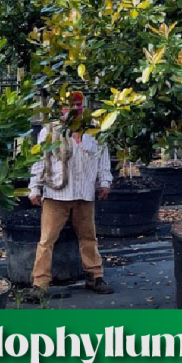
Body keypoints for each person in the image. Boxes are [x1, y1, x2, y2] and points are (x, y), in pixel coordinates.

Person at [27, 92, 114, 298]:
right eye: (71, 104)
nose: (76, 108)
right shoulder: (50, 130)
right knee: (46, 240)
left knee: (89, 238)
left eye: (79, 104)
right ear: (62, 108)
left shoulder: (94, 129)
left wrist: (105, 182)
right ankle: (40, 284)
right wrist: (34, 187)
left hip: (84, 194)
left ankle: (95, 277)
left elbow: (103, 158)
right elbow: (40, 159)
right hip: (57, 193)